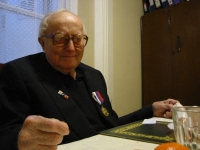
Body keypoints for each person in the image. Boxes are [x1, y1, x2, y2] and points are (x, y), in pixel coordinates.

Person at [0, 9, 179, 150]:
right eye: (61, 38)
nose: (71, 47)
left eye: (77, 39)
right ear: (42, 43)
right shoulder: (18, 73)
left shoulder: (94, 76)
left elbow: (111, 125)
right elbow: (5, 134)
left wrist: (150, 110)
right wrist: (19, 141)